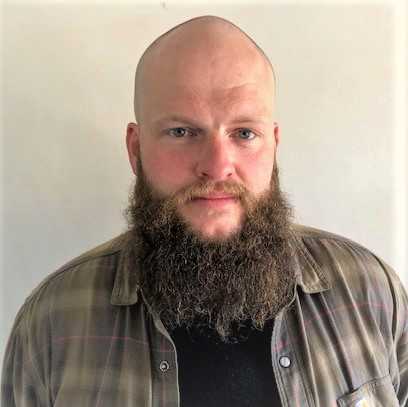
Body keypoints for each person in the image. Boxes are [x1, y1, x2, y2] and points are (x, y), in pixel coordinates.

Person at [1, 15, 407, 407]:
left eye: (244, 133)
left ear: (274, 145)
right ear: (136, 149)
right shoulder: (52, 324)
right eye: (181, 132)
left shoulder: (371, 293)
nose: (216, 166)